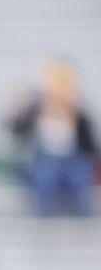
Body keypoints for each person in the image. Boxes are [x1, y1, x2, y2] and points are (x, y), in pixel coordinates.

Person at [6, 57, 97, 218]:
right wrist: (20, 111)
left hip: (71, 162)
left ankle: (82, 219)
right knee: (45, 176)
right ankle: (44, 217)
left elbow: (89, 144)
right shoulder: (35, 109)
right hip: (45, 161)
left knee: (80, 175)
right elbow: (17, 131)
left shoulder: (77, 112)